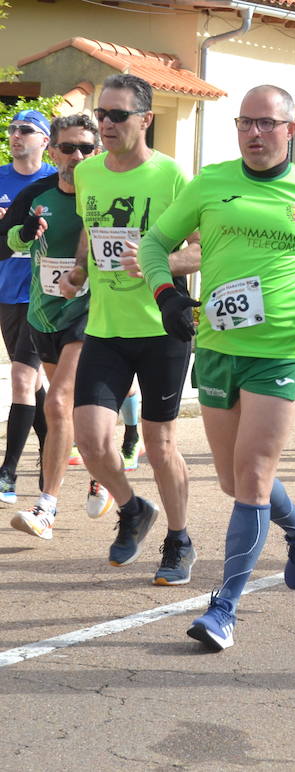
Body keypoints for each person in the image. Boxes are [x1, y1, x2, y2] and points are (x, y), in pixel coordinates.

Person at [140, 84, 295, 650]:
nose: (254, 133)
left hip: (279, 352)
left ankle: (224, 608)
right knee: (234, 479)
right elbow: (153, 243)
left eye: (267, 124)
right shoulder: (210, 182)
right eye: (245, 122)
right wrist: (167, 294)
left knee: (250, 477)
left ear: (290, 130)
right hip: (219, 348)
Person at [67, 74, 199, 584]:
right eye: (102, 114)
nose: (106, 124)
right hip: (105, 326)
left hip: (161, 327)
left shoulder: (171, 177)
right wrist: (79, 270)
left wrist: (158, 262)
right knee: (93, 440)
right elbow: (88, 227)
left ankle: (179, 539)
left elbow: (200, 247)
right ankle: (132, 508)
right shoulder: (90, 173)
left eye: (118, 115)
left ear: (146, 119)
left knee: (159, 443)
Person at [3, 115, 96, 540]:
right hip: (44, 314)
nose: (77, 156)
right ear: (54, 151)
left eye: (86, 148)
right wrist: (24, 234)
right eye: (69, 148)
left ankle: (46, 508)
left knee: (57, 404)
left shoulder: (106, 192)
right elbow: (4, 243)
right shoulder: (35, 193)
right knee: (74, 409)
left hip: (91, 312)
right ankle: (103, 469)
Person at [0, 109, 56, 503]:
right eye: (11, 129)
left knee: (22, 379)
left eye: (25, 130)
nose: (16, 136)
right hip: (5, 295)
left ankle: (7, 473)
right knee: (33, 387)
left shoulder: (55, 182)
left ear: (45, 141)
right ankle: (50, 454)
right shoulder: (0, 177)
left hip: (41, 297)